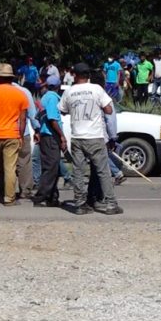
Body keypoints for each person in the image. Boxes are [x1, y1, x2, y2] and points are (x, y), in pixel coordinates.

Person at [58, 63, 123, 215]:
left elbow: (63, 110)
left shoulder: (69, 92)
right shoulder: (96, 89)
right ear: (88, 75)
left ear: (74, 75)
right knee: (103, 171)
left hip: (77, 136)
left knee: (79, 172)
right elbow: (108, 109)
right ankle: (111, 203)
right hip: (94, 135)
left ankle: (80, 204)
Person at [0, 64, 29, 206]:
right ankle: (9, 198)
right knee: (10, 167)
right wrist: (20, 136)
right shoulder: (20, 94)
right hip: (12, 133)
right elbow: (23, 119)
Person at [32, 75, 67, 208]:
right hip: (51, 136)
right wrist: (62, 135)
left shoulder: (45, 97)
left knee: (54, 167)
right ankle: (41, 197)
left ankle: (52, 197)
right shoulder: (52, 98)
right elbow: (52, 119)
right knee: (51, 168)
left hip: (46, 136)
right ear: (59, 85)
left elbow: (37, 116)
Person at [11, 78, 38, 200]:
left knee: (4, 163)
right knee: (24, 161)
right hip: (22, 132)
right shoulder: (24, 92)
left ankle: (3, 191)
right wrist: (37, 129)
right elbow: (32, 114)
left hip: (1, 132)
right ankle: (25, 190)